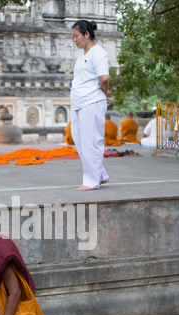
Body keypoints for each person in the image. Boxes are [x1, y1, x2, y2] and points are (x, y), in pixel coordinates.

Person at [70, 20, 110, 191]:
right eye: (73, 37)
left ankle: (92, 181)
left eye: (76, 36)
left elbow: (104, 78)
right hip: (79, 102)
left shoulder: (98, 53)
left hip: (92, 102)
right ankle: (100, 175)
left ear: (87, 34)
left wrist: (104, 92)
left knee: (91, 142)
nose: (75, 40)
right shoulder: (82, 55)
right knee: (79, 141)